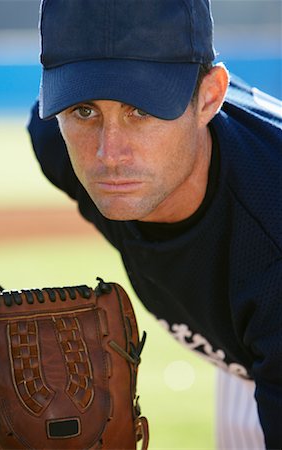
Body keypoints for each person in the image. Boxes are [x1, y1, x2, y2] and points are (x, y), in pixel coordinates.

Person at [28, 0, 282, 448]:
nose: (109, 154)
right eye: (83, 110)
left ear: (209, 97)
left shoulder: (270, 243)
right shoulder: (55, 144)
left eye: (141, 110)